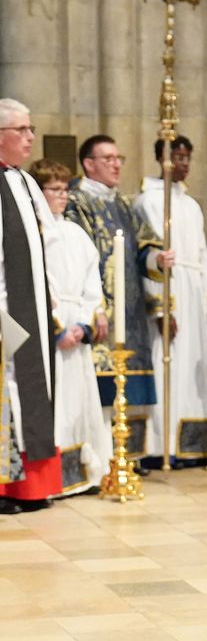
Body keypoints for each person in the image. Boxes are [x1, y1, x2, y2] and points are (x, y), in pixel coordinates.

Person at [65, 134, 174, 462]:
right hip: (101, 310)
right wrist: (94, 306)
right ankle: (102, 459)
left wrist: (156, 259)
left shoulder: (124, 203)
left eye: (119, 158)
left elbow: (145, 245)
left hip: (132, 310)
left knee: (133, 382)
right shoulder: (77, 201)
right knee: (102, 388)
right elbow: (80, 258)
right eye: (108, 158)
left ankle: (128, 457)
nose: (116, 164)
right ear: (89, 164)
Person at [134, 135, 207, 465]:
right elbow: (150, 255)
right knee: (168, 364)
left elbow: (203, 256)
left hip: (193, 292)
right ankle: (161, 445)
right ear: (162, 160)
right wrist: (159, 304)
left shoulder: (191, 205)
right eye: (177, 157)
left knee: (193, 368)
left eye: (187, 157)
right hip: (169, 293)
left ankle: (194, 446)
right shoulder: (149, 201)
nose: (183, 164)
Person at [31, 159, 112, 495]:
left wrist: (85, 324)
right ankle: (54, 478)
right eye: (54, 189)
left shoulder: (76, 233)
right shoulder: (35, 233)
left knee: (81, 406)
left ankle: (85, 474)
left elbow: (93, 283)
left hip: (77, 327)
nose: (62, 196)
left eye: (65, 189)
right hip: (51, 329)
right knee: (57, 405)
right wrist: (57, 329)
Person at [0, 98, 61, 513]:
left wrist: (51, 293)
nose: (30, 137)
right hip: (5, 306)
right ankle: (6, 487)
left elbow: (49, 243)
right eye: (22, 130)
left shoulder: (24, 182)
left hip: (32, 306)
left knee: (33, 391)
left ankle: (31, 487)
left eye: (31, 128)